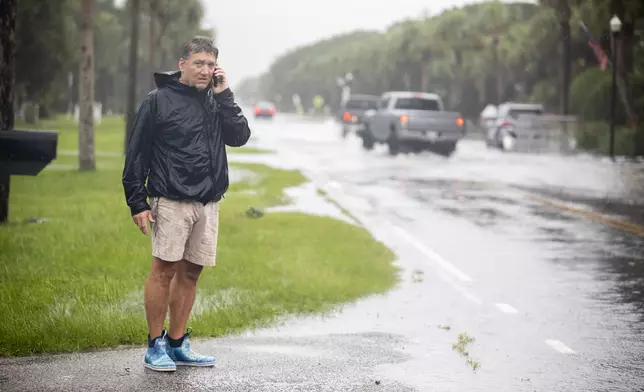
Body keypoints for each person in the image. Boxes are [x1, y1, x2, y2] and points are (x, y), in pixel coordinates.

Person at [122, 36, 251, 372]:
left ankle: (178, 344)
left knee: (191, 273)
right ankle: (155, 346)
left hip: (208, 201)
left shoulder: (216, 100)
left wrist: (225, 96)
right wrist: (137, 202)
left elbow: (239, 136)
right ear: (182, 64)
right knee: (163, 271)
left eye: (211, 64)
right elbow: (136, 153)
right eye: (199, 63)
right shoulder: (158, 101)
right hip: (171, 199)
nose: (205, 70)